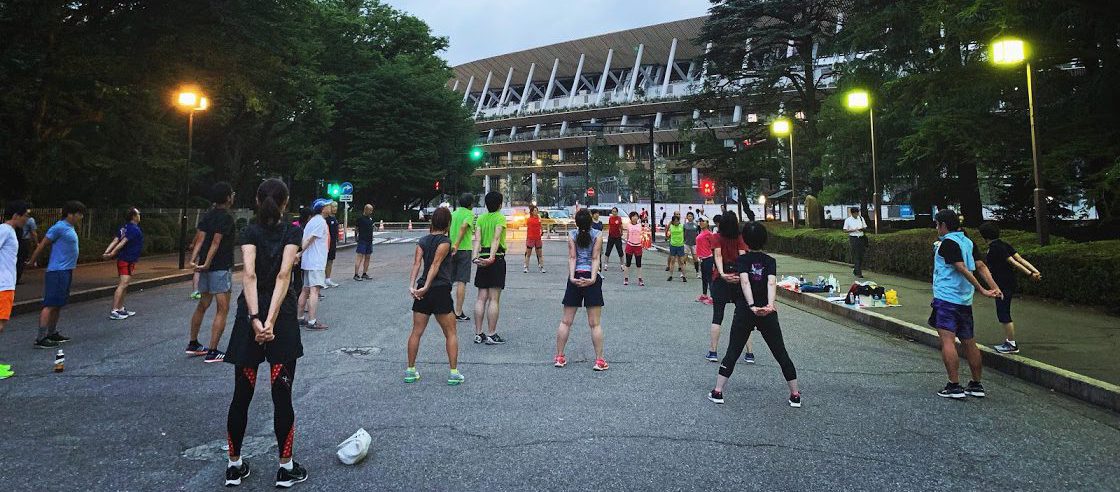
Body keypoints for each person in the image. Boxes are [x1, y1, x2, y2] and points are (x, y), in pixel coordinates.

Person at [223, 178, 308, 488]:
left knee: (241, 395)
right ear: (285, 203)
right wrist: (270, 321)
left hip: (249, 318)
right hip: (281, 320)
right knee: (282, 394)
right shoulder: (292, 231)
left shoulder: (248, 231)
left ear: (258, 201)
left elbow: (248, 273)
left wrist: (255, 317)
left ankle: (234, 465)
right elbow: (285, 275)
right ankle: (285, 468)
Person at [708, 221, 802, 408]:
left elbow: (744, 282)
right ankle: (795, 394)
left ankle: (718, 391)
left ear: (746, 240)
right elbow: (771, 283)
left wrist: (751, 305)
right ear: (765, 240)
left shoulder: (742, 261)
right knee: (780, 352)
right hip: (767, 312)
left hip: (745, 310)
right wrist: (769, 305)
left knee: (733, 351)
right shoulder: (770, 261)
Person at [929, 209, 1001, 399]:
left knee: (947, 341)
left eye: (937, 224)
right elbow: (981, 266)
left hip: (946, 298)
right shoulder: (967, 242)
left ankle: (954, 385)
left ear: (944, 225)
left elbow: (961, 268)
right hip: (964, 300)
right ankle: (976, 384)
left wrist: (983, 289)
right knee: (969, 341)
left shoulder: (947, 243)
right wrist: (995, 287)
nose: (937, 228)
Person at [404, 207, 464, 386]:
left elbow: (417, 264)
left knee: (416, 331)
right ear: (448, 223)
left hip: (422, 288)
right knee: (451, 332)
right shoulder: (445, 241)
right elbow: (436, 265)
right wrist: (427, 287)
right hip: (439, 290)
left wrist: (414, 286)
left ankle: (410, 370)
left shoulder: (422, 241)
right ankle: (453, 373)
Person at [186, 182, 237, 362]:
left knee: (202, 304)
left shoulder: (208, 216)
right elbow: (216, 242)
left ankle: (193, 343)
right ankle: (213, 351)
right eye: (231, 193)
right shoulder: (226, 218)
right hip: (220, 267)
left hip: (205, 268)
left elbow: (200, 239)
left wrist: (194, 260)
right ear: (228, 197)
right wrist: (207, 262)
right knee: (222, 309)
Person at [553, 209, 608, 371]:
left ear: (576, 222)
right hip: (591, 278)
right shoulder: (597, 235)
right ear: (591, 221)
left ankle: (560, 357)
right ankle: (599, 360)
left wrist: (572, 277)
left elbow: (572, 257)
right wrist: (591, 278)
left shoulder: (572, 234)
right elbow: (595, 258)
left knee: (566, 321)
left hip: (575, 276)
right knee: (594, 323)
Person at [25, 200, 84, 348]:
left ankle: (52, 333)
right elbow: (43, 244)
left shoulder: (69, 227)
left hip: (66, 270)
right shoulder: (59, 227)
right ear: (70, 214)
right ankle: (40, 338)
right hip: (57, 271)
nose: (81, 217)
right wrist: (32, 261)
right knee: (50, 304)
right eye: (79, 214)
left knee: (58, 304)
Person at [978, 222, 1041, 355]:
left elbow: (1012, 261)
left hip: (1002, 284)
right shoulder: (1004, 244)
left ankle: (1011, 343)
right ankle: (1009, 342)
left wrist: (1030, 274)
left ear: (984, 236)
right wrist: (1035, 271)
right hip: (1009, 282)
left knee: (1003, 313)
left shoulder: (995, 248)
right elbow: (1019, 259)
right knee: (1004, 311)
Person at [707, 214, 753, 363]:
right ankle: (749, 354)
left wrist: (722, 274)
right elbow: (743, 256)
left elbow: (718, 256)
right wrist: (740, 274)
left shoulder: (717, 237)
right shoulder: (740, 237)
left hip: (720, 280)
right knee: (744, 317)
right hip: (739, 280)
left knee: (717, 316)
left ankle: (713, 352)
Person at [472, 191, 508, 345]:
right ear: (500, 204)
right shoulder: (499, 217)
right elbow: (496, 238)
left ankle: (479, 333)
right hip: (496, 258)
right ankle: (492, 334)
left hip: (481, 257)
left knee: (481, 298)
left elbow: (478, 239)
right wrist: (492, 257)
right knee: (494, 299)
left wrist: (475, 257)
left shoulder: (480, 218)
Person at [1, 201, 30, 379]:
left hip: (6, 284)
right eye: (25, 215)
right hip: (3, 285)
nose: (27, 219)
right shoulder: (4, 230)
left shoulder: (9, 231)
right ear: (15, 215)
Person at [102, 207, 143, 320]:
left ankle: (120, 308)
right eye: (138, 214)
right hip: (127, 259)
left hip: (127, 259)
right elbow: (122, 243)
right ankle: (115, 310)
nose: (140, 215)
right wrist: (111, 254)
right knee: (123, 284)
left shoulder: (124, 228)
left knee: (125, 284)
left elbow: (116, 240)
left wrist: (107, 252)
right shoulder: (134, 229)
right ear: (134, 216)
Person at [297, 199, 330, 331]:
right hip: (316, 262)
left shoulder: (312, 221)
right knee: (314, 290)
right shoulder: (320, 222)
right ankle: (312, 321)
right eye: (327, 206)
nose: (330, 208)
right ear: (322, 208)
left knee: (305, 290)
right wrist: (299, 253)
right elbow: (310, 240)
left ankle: (300, 318)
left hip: (309, 261)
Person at [449, 193, 475, 322]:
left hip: (450, 250)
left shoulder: (453, 214)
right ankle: (458, 311)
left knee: (449, 280)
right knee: (461, 281)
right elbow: (464, 226)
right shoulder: (469, 214)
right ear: (470, 204)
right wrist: (457, 244)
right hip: (463, 249)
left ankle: (446, 309)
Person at [622, 211, 646, 287]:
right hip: (630, 245)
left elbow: (644, 234)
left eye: (636, 216)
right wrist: (627, 243)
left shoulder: (640, 225)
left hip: (638, 246)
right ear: (631, 218)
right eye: (633, 216)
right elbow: (628, 235)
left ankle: (640, 279)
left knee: (638, 264)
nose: (635, 218)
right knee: (628, 263)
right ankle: (626, 278)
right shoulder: (628, 225)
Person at [844, 207, 868, 278]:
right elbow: (845, 230)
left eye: (857, 213)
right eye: (855, 213)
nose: (856, 214)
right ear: (852, 213)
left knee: (861, 255)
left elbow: (865, 227)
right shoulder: (848, 220)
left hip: (861, 237)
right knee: (856, 254)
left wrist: (862, 229)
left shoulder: (861, 218)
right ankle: (858, 273)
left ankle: (856, 270)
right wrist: (853, 230)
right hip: (853, 238)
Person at [353, 204, 374, 281]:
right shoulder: (360, 218)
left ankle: (364, 273)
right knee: (360, 256)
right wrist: (356, 237)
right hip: (362, 240)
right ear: (366, 210)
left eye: (372, 210)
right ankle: (356, 274)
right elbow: (356, 228)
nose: (371, 212)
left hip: (369, 240)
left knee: (368, 257)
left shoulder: (370, 219)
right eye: (370, 210)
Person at [695, 217, 714, 304]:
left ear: (707, 223)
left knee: (710, 278)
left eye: (703, 221)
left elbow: (713, 246)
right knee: (704, 278)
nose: (701, 223)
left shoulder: (709, 234)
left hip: (708, 258)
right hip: (702, 258)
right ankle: (704, 294)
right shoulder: (701, 232)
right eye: (700, 221)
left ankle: (713, 297)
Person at [16, 208, 36, 284]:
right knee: (22, 259)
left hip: (17, 239)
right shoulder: (31, 220)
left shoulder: (17, 220)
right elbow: (34, 233)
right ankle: (17, 278)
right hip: (25, 241)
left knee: (17, 258)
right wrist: (36, 242)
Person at [523, 205, 545, 274]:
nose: (536, 212)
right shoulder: (529, 219)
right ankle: (526, 267)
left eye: (537, 210)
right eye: (535, 210)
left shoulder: (539, 219)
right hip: (530, 238)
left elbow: (541, 226)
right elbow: (526, 223)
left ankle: (541, 267)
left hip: (538, 238)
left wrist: (542, 231)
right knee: (528, 254)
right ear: (532, 212)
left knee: (540, 254)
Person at [666, 213, 687, 282]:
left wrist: (684, 240)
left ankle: (684, 276)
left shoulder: (682, 226)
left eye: (677, 221)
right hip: (673, 245)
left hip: (680, 245)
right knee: (672, 261)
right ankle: (670, 275)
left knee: (681, 261)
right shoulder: (671, 226)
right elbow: (668, 234)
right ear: (673, 221)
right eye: (675, 221)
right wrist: (667, 237)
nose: (676, 222)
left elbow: (685, 233)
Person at [324, 202, 340, 288]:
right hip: (326, 243)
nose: (335, 208)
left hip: (333, 243)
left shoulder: (334, 218)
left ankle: (328, 279)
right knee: (324, 262)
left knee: (330, 261)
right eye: (333, 206)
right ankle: (321, 280)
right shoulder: (327, 219)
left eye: (336, 206)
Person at [604, 207, 624, 271]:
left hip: (618, 237)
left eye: (615, 211)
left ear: (617, 212)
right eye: (613, 211)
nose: (614, 212)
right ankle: (606, 265)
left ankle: (622, 265)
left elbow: (621, 226)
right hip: (611, 237)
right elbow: (609, 226)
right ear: (612, 212)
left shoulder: (619, 218)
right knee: (608, 251)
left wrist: (621, 232)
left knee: (620, 251)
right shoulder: (610, 218)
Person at [683, 212, 700, 278]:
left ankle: (697, 273)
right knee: (684, 258)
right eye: (689, 216)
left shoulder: (696, 225)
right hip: (686, 243)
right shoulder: (684, 225)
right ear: (687, 217)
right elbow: (683, 234)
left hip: (694, 244)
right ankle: (683, 273)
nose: (690, 217)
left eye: (691, 216)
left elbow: (698, 234)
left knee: (695, 259)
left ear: (693, 217)